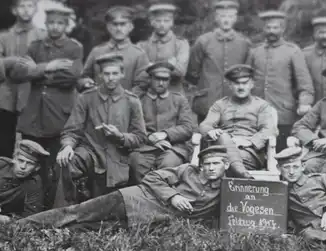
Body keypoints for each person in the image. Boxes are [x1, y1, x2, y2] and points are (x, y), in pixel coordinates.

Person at [16, 146, 229, 230]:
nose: (210, 168)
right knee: (76, 212)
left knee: (85, 229)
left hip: (149, 221)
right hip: (131, 199)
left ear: (225, 165)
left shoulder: (226, 189)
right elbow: (152, 177)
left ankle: (37, 236)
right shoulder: (188, 170)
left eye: (216, 164)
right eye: (207, 164)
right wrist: (173, 196)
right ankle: (17, 228)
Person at [54, 53, 146, 207]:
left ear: (122, 74)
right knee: (68, 161)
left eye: (115, 73)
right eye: (107, 74)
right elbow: (71, 130)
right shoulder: (86, 98)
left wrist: (120, 136)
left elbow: (141, 137)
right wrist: (68, 146)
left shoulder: (132, 101)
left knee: (108, 206)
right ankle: (61, 214)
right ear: (100, 75)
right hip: (91, 152)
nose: (111, 78)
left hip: (118, 156)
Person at [17, 5, 83, 208]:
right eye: (52, 22)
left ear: (66, 25)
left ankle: (55, 204)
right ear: (45, 24)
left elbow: (71, 76)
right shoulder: (35, 46)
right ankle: (30, 202)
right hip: (34, 112)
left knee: (57, 162)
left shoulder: (74, 48)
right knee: (31, 159)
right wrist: (49, 67)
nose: (55, 27)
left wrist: (37, 72)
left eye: (60, 23)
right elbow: (20, 72)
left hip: (58, 113)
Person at [247, 10, 314, 151]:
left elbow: (305, 84)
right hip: (256, 112)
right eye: (268, 27)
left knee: (281, 152)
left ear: (283, 29)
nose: (271, 31)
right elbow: (246, 79)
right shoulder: (255, 52)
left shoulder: (293, 51)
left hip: (283, 113)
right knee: (254, 150)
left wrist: (304, 102)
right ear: (263, 29)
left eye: (275, 27)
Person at [199, 64, 278, 178]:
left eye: (245, 83)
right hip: (221, 150)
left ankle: (238, 173)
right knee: (223, 136)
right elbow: (205, 124)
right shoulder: (220, 105)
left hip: (249, 152)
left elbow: (269, 129)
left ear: (252, 84)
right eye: (237, 83)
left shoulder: (261, 106)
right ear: (230, 85)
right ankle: (242, 174)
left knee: (224, 157)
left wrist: (250, 142)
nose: (241, 87)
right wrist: (210, 130)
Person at [129, 61, 196, 184]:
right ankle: (146, 198)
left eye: (165, 79)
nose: (161, 83)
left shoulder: (179, 100)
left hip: (173, 147)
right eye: (157, 79)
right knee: (138, 163)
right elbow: (131, 127)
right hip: (144, 147)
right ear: (150, 79)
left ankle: (165, 199)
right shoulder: (139, 100)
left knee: (168, 165)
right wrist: (150, 137)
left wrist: (165, 134)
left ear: (169, 80)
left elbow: (187, 128)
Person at [186, 0, 251, 122]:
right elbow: (192, 73)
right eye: (222, 16)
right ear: (216, 18)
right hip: (208, 101)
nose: (226, 20)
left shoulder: (244, 43)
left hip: (235, 102)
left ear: (235, 18)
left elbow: (248, 73)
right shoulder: (203, 41)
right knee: (206, 136)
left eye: (230, 16)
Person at [0, 0, 46, 158]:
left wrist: (35, 69)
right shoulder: (4, 37)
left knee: (32, 145)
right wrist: (12, 60)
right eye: (21, 6)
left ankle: (33, 180)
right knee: (4, 144)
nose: (26, 10)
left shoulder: (43, 36)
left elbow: (46, 66)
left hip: (34, 96)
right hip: (6, 97)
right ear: (14, 10)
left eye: (30, 6)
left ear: (35, 9)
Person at [79, 6, 149, 91]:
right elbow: (83, 77)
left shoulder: (139, 54)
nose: (118, 29)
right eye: (115, 24)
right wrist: (87, 83)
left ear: (131, 27)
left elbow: (142, 85)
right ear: (108, 27)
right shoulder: (97, 51)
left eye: (123, 24)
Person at [137, 3, 189, 94]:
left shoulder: (181, 44)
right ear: (152, 22)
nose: (162, 24)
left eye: (166, 21)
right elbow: (139, 76)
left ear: (172, 22)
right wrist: (170, 65)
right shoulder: (142, 46)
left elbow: (180, 72)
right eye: (158, 21)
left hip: (174, 96)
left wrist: (150, 67)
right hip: (148, 96)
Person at [0, 140, 48, 223]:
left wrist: (6, 219)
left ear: (37, 167)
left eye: (29, 163)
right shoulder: (2, 165)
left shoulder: (34, 183)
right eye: (20, 160)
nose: (23, 167)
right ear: (14, 159)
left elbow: (31, 216)